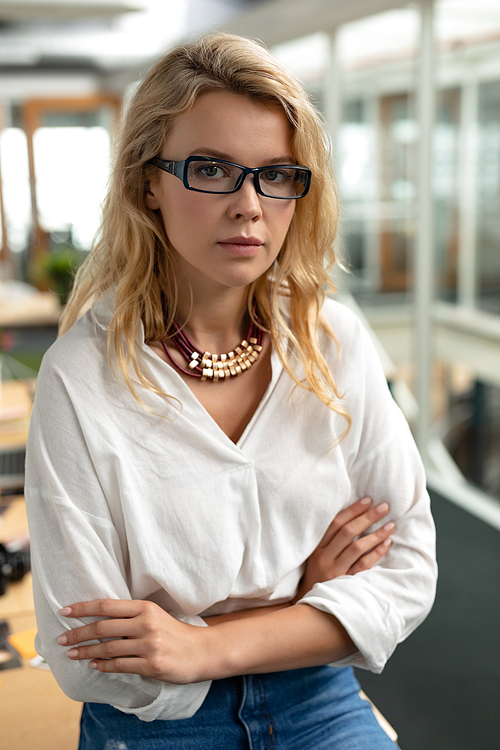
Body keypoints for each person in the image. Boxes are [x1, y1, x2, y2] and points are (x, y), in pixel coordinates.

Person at [25, 32, 437, 750]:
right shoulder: (79, 376)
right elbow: (86, 657)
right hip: (158, 723)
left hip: (319, 698)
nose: (250, 206)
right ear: (146, 183)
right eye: (212, 168)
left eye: (277, 174)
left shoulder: (333, 342)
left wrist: (203, 644)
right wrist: (304, 605)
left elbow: (407, 575)